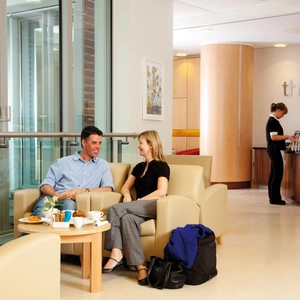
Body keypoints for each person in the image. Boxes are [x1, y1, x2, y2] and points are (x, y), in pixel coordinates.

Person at [102, 130, 170, 285]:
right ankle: (141, 267)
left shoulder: (161, 166)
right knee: (127, 219)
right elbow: (125, 188)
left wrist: (137, 200)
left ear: (151, 145)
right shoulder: (139, 167)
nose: (138, 146)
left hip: (154, 205)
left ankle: (116, 252)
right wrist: (126, 195)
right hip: (137, 208)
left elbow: (162, 192)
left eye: (141, 143)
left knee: (113, 209)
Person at [31, 125, 114, 216]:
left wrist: (84, 191)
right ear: (84, 143)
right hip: (53, 197)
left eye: (100, 143)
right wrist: (57, 196)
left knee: (69, 209)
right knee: (41, 213)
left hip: (70, 201)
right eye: (94, 143)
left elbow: (108, 189)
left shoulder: (102, 165)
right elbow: (45, 185)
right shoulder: (63, 162)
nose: (98, 146)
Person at [265, 102, 297, 205]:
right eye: (283, 113)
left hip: (272, 150)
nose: (283, 116)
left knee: (274, 174)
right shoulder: (273, 121)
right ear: (278, 110)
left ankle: (273, 197)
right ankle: (275, 199)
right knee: (277, 174)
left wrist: (288, 137)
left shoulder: (272, 121)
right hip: (274, 150)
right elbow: (274, 137)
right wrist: (287, 136)